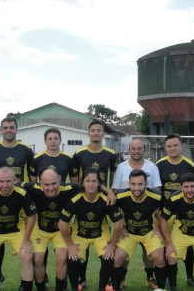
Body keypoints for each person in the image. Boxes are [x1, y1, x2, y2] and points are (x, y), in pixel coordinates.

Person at [22, 169, 115, 291]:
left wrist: (109, 192)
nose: (51, 188)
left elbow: (90, 184)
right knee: (38, 259)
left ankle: (60, 288)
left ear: (60, 181)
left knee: (62, 257)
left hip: (59, 230)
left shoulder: (70, 188)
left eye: (54, 183)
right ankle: (41, 288)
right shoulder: (31, 187)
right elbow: (11, 183)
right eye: (46, 184)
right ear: (40, 183)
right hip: (40, 229)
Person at [0, 117, 35, 285]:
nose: (8, 130)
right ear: (1, 130)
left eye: (11, 127)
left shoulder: (26, 149)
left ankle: (32, 278)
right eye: (5, 127)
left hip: (20, 198)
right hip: (0, 195)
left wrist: (23, 189)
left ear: (16, 129)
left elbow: (33, 176)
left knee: (28, 241)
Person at [58, 167, 123, 291]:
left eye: (94, 181)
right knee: (72, 259)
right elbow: (62, 223)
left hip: (100, 234)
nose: (91, 184)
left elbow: (119, 223)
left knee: (108, 259)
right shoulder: (75, 200)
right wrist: (70, 245)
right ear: (82, 183)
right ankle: (74, 288)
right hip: (80, 234)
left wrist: (112, 245)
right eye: (88, 181)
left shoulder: (106, 200)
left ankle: (101, 288)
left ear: (99, 183)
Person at [111, 139, 162, 290]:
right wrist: (120, 223)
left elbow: (158, 189)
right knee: (124, 253)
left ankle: (150, 278)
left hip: (148, 217)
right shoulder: (121, 167)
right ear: (129, 149)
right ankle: (121, 279)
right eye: (134, 148)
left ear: (144, 150)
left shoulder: (152, 166)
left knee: (149, 251)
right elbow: (115, 192)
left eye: (139, 148)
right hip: (128, 217)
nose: (136, 151)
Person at [72, 120, 118, 288]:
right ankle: (81, 279)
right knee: (83, 236)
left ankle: (107, 282)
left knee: (101, 236)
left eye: (99, 130)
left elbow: (112, 175)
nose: (96, 133)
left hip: (103, 199)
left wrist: (108, 191)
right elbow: (76, 179)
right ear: (88, 133)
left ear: (103, 133)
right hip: (84, 199)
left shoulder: (110, 153)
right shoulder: (79, 153)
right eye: (93, 130)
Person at [0, 167, 37, 291]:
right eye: (1, 181)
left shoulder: (22, 193)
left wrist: (25, 241)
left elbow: (32, 215)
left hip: (15, 230)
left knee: (27, 256)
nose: (5, 185)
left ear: (15, 180)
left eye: (8, 181)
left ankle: (25, 288)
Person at [155, 133, 194, 287]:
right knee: (165, 244)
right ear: (165, 148)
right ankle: (167, 276)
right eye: (169, 146)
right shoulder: (159, 165)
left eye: (175, 145)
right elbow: (156, 190)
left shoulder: (190, 166)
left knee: (188, 245)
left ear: (181, 146)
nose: (172, 148)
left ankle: (190, 276)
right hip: (164, 213)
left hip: (184, 213)